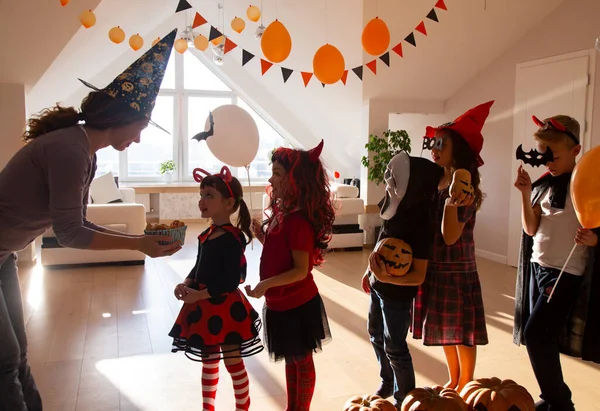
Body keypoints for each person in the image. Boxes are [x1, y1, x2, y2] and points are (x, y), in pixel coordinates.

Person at [0, 29, 181, 411]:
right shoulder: (69, 149)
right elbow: (69, 234)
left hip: (4, 255)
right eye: (141, 128)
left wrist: (140, 237)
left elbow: (78, 221)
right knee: (5, 362)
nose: (139, 138)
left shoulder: (85, 151)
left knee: (16, 357)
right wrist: (136, 244)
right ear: (124, 118)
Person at [513, 114, 600, 411]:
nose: (548, 163)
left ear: (576, 151)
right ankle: (551, 397)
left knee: (536, 334)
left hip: (565, 273)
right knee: (543, 337)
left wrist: (595, 240)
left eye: (555, 157)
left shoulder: (590, 186)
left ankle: (560, 402)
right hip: (539, 267)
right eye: (544, 156)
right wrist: (526, 195)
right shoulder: (544, 185)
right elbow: (530, 228)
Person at [245, 140, 335, 411]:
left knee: (302, 361)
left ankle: (301, 408)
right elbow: (279, 253)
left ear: (296, 179)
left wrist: (265, 284)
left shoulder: (298, 222)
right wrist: (261, 235)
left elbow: (299, 270)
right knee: (291, 359)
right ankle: (292, 407)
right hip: (280, 303)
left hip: (297, 303)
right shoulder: (282, 213)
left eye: (278, 174)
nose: (271, 179)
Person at [412, 101, 493, 393]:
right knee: (445, 329)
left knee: (462, 333)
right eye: (434, 143)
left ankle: (467, 382)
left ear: (457, 150)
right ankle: (454, 377)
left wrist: (450, 204)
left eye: (441, 144)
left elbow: (450, 236)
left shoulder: (463, 186)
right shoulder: (436, 179)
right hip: (436, 266)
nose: (434, 148)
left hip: (457, 268)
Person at [169, 166, 262, 411]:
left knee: (233, 361)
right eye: (201, 195)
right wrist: (186, 284)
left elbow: (231, 280)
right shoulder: (206, 234)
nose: (202, 200)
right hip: (204, 307)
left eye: (209, 195)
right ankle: (207, 408)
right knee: (208, 361)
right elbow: (198, 268)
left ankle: (242, 408)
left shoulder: (233, 238)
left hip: (224, 308)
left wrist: (199, 294)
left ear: (229, 202)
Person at [363, 151, 444, 409]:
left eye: (394, 176)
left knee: (395, 346)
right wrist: (370, 271)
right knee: (376, 334)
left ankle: (406, 399)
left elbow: (418, 275)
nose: (388, 179)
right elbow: (383, 239)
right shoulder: (394, 208)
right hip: (379, 285)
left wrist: (386, 277)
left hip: (396, 294)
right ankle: (388, 382)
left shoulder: (420, 223)